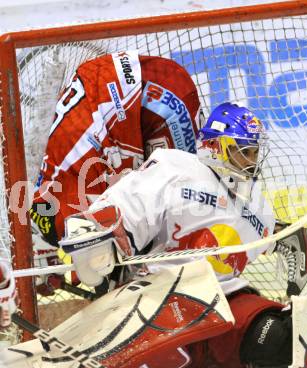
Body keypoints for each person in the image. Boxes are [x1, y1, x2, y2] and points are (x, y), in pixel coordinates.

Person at [47, 102, 307, 368]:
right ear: (215, 146)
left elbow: (263, 238)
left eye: (255, 152)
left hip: (221, 311)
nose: (251, 160)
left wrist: (288, 237)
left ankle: (253, 364)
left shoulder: (258, 206)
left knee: (303, 340)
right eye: (244, 151)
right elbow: (129, 202)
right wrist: (94, 232)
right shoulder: (178, 167)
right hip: (161, 304)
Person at [30, 50, 202, 248]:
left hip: (146, 95)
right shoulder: (50, 198)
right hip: (115, 80)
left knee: (175, 190)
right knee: (172, 190)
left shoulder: (67, 217)